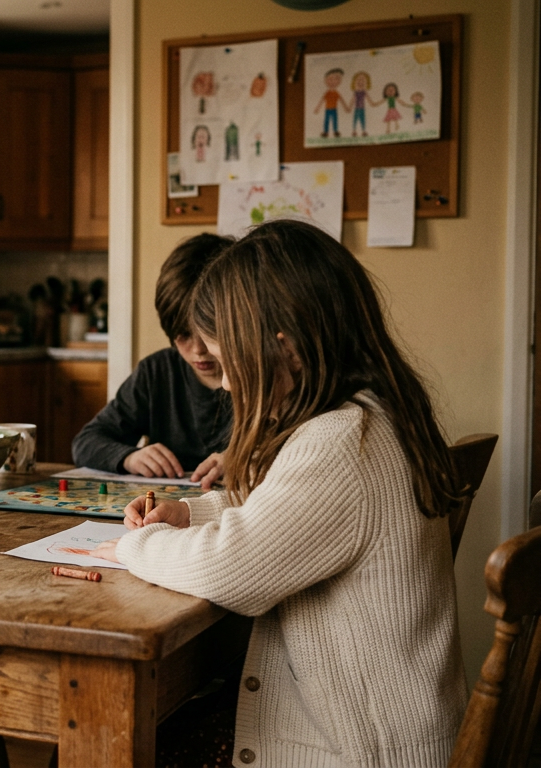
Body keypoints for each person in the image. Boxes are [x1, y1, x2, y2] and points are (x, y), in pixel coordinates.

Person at [89, 219, 467, 767]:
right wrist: (191, 513)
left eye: (229, 362)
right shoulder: (372, 413)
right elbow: (284, 512)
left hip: (358, 751)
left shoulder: (340, 443)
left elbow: (232, 568)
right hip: (375, 730)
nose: (225, 383)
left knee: (114, 740)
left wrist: (134, 547)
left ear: (285, 350)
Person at [72, 233, 233, 489]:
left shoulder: (266, 374)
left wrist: (245, 460)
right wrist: (129, 457)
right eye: (183, 335)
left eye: (209, 334)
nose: (198, 350)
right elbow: (86, 441)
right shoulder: (157, 372)